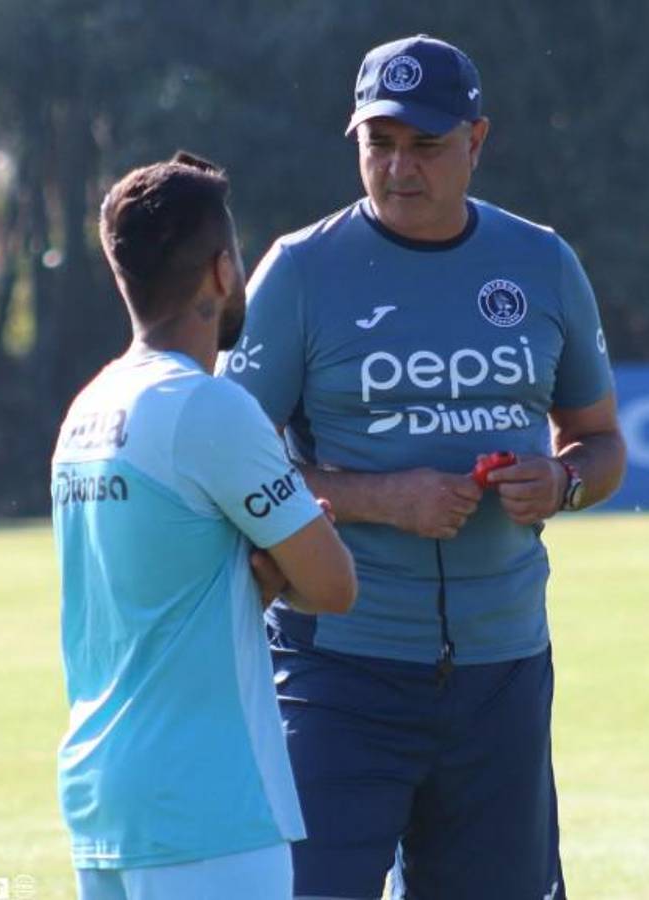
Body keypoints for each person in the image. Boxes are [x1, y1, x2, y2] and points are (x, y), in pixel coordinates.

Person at [222, 35, 627, 900]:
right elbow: (231, 467)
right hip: (338, 674)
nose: (399, 168)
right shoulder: (300, 273)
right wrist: (380, 499)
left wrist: (560, 483)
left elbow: (600, 443)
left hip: (502, 672)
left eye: (427, 146)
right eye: (380, 144)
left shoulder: (542, 263)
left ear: (476, 142)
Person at [51, 152, 357, 900]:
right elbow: (333, 584)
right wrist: (286, 561)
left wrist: (250, 583)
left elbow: (161, 601)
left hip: (103, 791)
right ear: (221, 272)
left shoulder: (88, 409)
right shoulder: (208, 406)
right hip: (207, 807)